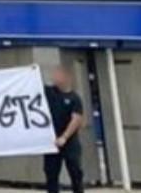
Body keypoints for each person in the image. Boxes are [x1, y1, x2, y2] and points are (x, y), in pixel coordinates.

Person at [43, 65, 85, 193]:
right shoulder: (50, 92)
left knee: (75, 170)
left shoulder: (74, 98)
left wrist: (65, 137)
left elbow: (76, 119)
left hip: (69, 142)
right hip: (52, 140)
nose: (55, 77)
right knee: (51, 173)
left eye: (58, 74)